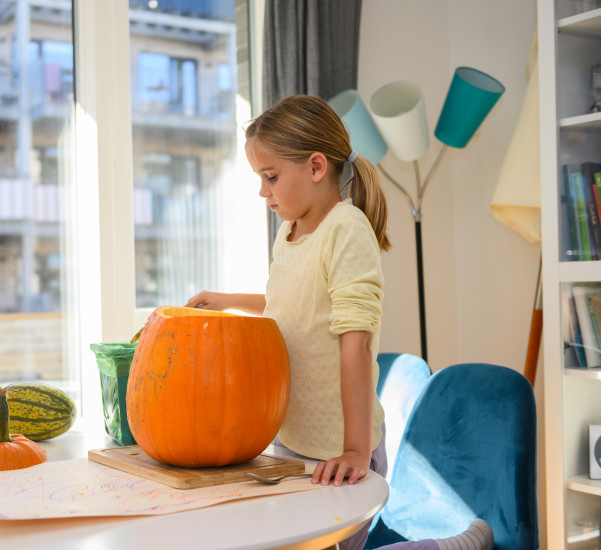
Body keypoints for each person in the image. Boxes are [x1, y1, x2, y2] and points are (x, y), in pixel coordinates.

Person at [185, 95, 493, 550]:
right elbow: (292, 306)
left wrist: (355, 450)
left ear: (315, 167)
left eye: (271, 177)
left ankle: (455, 545)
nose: (263, 191)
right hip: (292, 440)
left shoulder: (345, 229)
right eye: (260, 179)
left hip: (339, 446)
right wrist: (225, 301)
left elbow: (357, 343)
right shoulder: (288, 233)